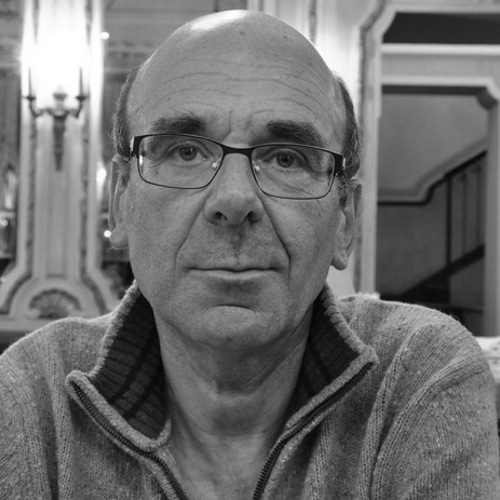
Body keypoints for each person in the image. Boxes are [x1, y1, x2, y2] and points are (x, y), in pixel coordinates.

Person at [0, 9, 499, 500]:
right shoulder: (32, 397)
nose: (235, 200)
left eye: (286, 157)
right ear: (121, 203)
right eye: (185, 151)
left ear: (345, 220)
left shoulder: (417, 373)